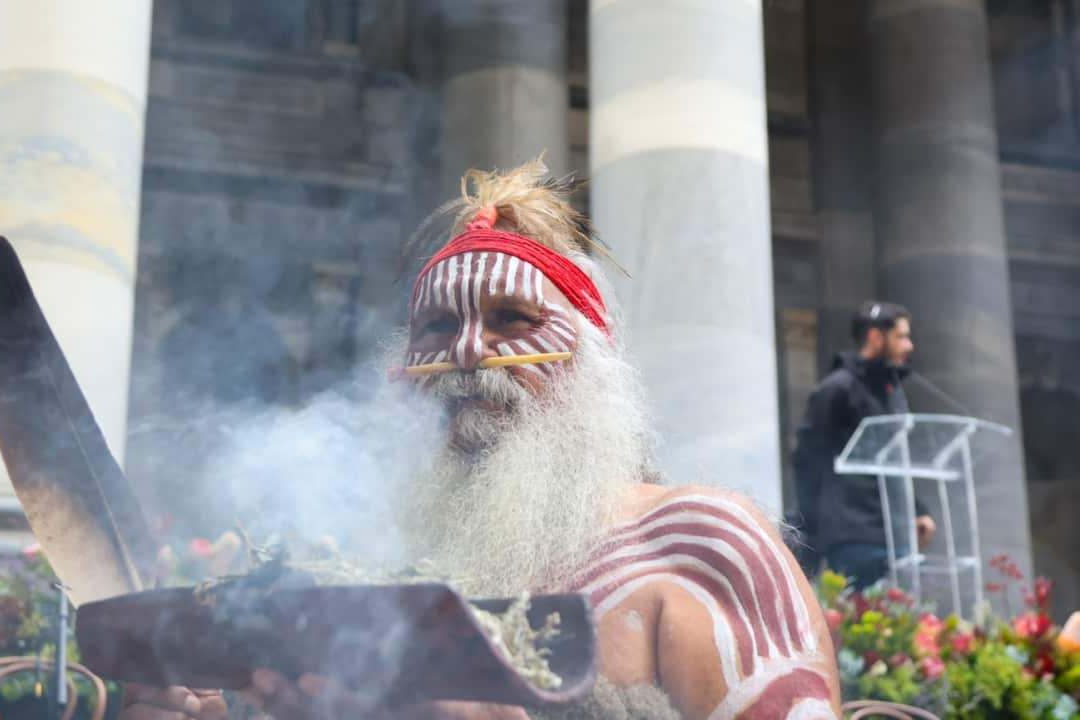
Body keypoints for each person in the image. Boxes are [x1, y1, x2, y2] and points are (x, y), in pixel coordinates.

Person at [121, 160, 840, 719]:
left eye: (511, 319)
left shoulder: (697, 542)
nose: (470, 351)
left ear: (588, 360)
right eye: (436, 327)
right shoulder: (369, 566)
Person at [792, 301, 937, 588]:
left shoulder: (892, 393)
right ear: (875, 337)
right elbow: (807, 457)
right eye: (901, 337)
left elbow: (894, 462)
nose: (909, 346)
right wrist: (814, 526)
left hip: (894, 534)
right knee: (862, 620)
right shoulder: (838, 388)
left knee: (898, 624)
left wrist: (917, 510)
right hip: (853, 534)